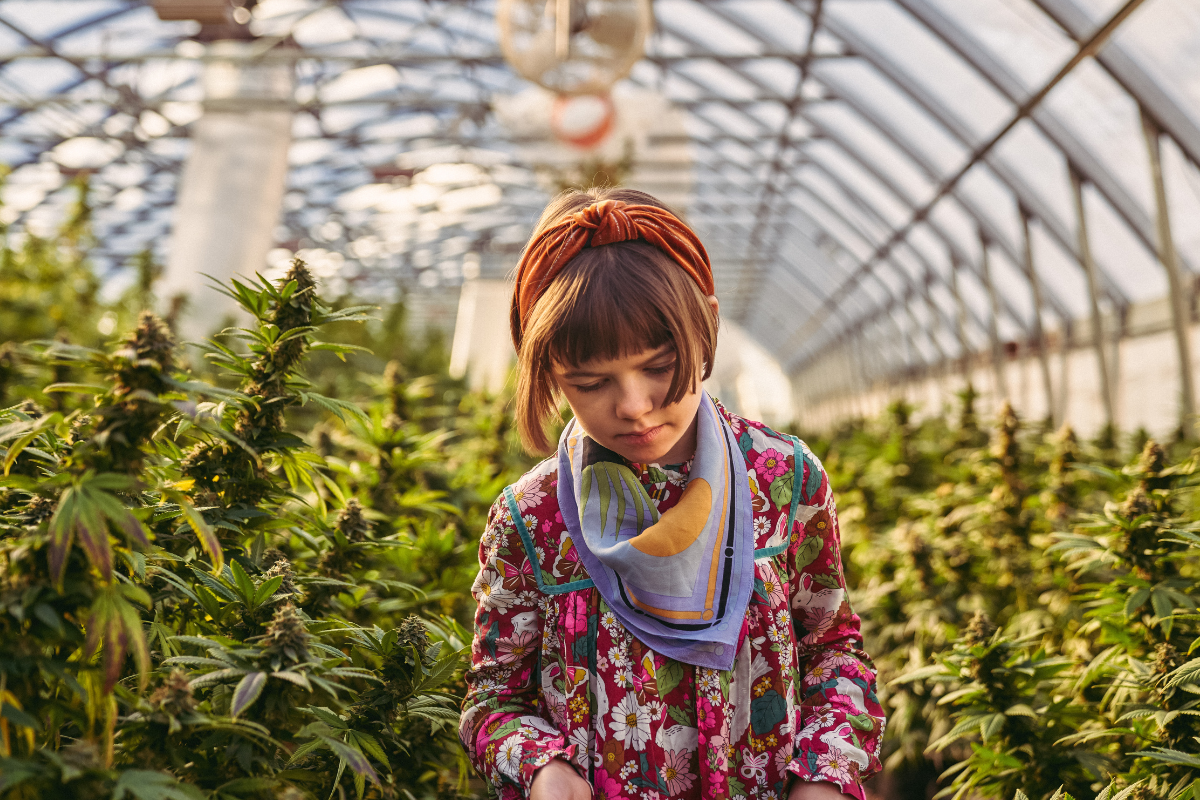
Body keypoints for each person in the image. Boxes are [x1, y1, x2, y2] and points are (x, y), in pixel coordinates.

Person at [459, 188, 885, 800]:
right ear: (551, 374)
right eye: (591, 381)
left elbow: (833, 653)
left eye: (658, 366)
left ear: (706, 327)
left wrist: (824, 777)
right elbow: (492, 698)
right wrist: (542, 768)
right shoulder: (536, 517)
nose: (633, 407)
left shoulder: (783, 482)